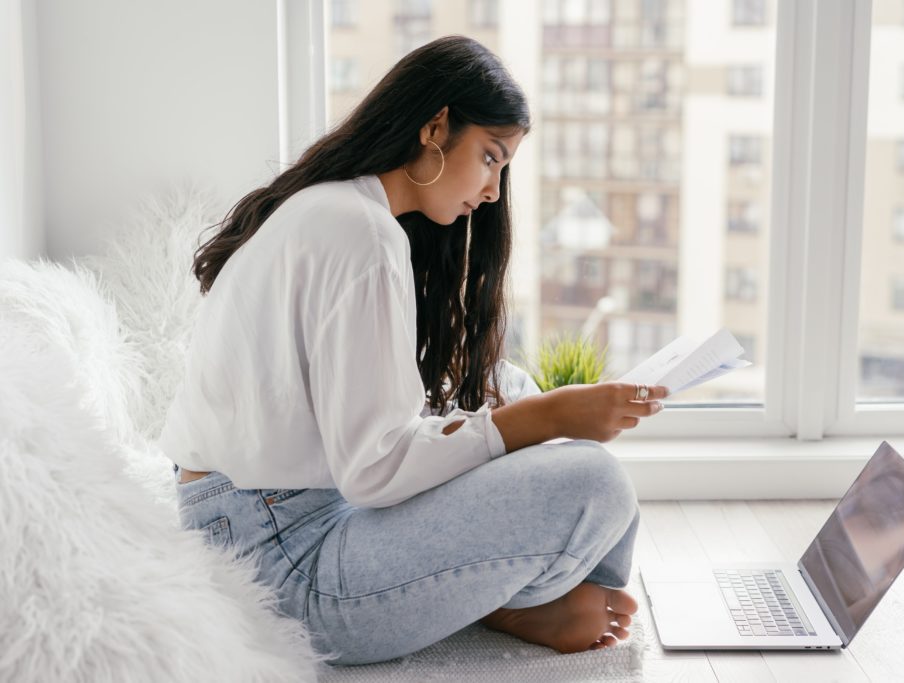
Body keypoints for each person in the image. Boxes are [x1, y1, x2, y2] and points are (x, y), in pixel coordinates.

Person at [158, 34, 668, 666]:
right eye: (490, 157)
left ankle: (539, 596)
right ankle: (522, 600)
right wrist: (546, 418)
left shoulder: (338, 212)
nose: (491, 191)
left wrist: (525, 421)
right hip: (284, 561)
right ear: (435, 128)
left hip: (260, 522)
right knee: (595, 480)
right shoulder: (358, 231)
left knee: (554, 441)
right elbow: (373, 472)